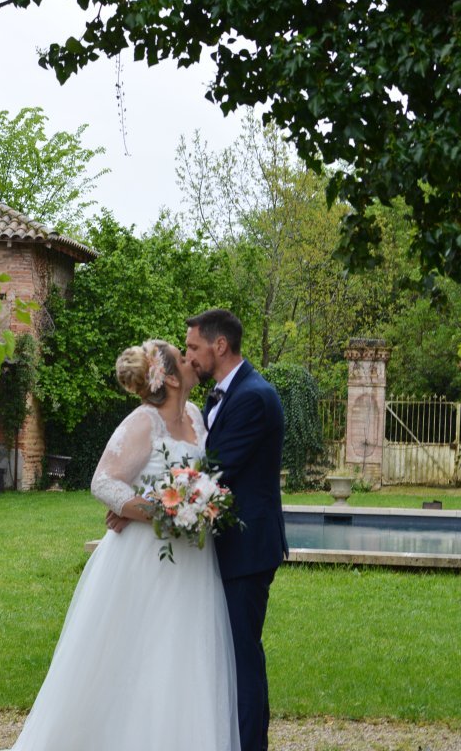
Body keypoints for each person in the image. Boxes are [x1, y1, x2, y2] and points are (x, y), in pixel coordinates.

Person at [2, 340, 239, 751]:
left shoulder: (197, 417)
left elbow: (202, 477)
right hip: (145, 558)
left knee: (185, 657)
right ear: (166, 375)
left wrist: (199, 501)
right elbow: (103, 481)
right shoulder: (143, 422)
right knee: (136, 656)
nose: (189, 361)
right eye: (181, 358)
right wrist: (153, 510)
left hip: (193, 562)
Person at [185, 309, 287, 751]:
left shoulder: (252, 397)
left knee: (242, 657)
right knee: (226, 655)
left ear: (219, 345)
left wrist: (141, 503)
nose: (189, 357)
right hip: (225, 547)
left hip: (246, 549)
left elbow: (214, 469)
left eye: (193, 347)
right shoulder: (221, 395)